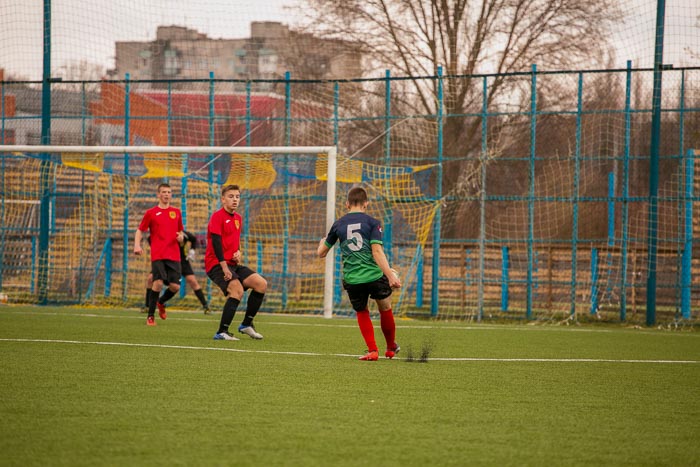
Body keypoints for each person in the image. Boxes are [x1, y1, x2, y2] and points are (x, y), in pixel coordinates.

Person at [317, 186, 401, 361]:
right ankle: (390, 347)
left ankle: (372, 350)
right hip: (374, 276)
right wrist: (391, 275)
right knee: (385, 308)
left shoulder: (338, 224)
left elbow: (322, 253)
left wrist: (322, 242)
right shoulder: (372, 223)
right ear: (366, 204)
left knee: (362, 311)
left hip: (353, 278)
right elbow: (377, 252)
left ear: (347, 204)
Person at [205, 184, 267, 341]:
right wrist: (224, 268)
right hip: (216, 264)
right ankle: (222, 331)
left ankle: (246, 324)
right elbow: (216, 244)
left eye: (237, 197)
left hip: (233, 264)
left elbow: (235, 240)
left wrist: (239, 252)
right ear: (223, 199)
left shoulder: (238, 218)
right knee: (237, 291)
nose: (235, 200)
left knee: (261, 284)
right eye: (231, 196)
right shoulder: (217, 217)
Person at [134, 183, 185, 326]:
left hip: (174, 255)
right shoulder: (151, 213)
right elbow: (140, 230)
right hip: (158, 254)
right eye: (163, 192)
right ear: (158, 194)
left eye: (169, 192)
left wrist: (181, 238)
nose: (166, 194)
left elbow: (180, 232)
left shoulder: (176, 212)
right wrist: (137, 245)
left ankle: (161, 302)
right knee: (158, 282)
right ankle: (150, 317)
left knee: (175, 287)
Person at [141, 231, 211, 314]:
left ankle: (205, 307)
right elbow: (150, 239)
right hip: (165, 261)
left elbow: (193, 239)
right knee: (150, 278)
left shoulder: (182, 233)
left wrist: (192, 250)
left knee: (192, 281)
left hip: (182, 262)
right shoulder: (162, 232)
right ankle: (147, 306)